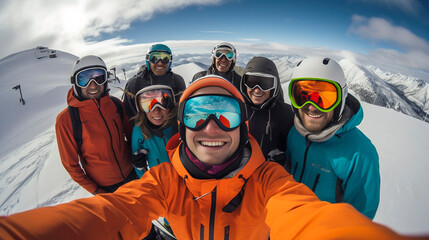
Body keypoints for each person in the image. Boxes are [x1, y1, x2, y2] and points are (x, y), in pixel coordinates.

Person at [0, 76, 409, 239]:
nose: (211, 127)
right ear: (184, 124)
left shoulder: (269, 180)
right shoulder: (164, 180)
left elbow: (310, 219)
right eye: (198, 114)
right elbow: (107, 213)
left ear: (241, 125)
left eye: (225, 113)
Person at [285, 56, 380, 219]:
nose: (311, 106)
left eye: (324, 97)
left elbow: (359, 221)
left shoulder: (360, 154)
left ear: (340, 100)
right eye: (303, 95)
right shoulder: (293, 133)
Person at [55, 55, 137, 195]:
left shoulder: (115, 104)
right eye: (84, 79)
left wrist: (138, 159)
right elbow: (71, 165)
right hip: (106, 188)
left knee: (143, 214)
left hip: (132, 175)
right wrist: (96, 191)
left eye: (99, 78)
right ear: (75, 83)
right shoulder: (66, 120)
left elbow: (132, 136)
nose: (93, 85)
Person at [239, 56, 293, 163]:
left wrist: (282, 159)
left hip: (270, 175)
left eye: (265, 84)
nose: (257, 90)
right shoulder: (236, 110)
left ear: (275, 85)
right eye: (251, 82)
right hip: (239, 174)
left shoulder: (287, 115)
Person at [123, 43, 186, 124]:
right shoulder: (134, 84)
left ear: (170, 61)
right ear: (148, 60)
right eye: (154, 58)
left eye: (165, 59)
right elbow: (129, 115)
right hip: (145, 132)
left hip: (173, 129)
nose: (160, 63)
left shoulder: (177, 81)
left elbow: (182, 109)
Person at [130, 85, 178, 178]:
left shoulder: (180, 125)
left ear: (171, 105)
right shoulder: (139, 130)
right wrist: (140, 166)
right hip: (161, 183)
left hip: (185, 180)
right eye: (147, 104)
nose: (156, 111)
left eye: (163, 102)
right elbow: (139, 169)